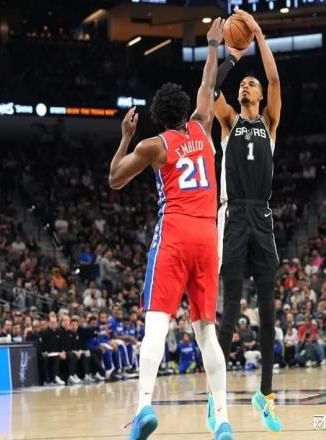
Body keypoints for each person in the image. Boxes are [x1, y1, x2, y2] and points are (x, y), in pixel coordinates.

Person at [109, 18, 233, 440]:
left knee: (157, 326)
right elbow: (208, 82)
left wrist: (125, 137)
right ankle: (223, 419)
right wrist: (213, 44)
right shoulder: (202, 124)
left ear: (158, 118)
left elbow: (115, 179)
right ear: (184, 110)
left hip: (176, 234)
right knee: (206, 332)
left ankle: (144, 406)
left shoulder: (154, 146)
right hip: (208, 236)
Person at [209, 8, 282, 432]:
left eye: (250, 83)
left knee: (269, 311)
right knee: (232, 309)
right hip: (234, 214)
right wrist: (231, 56)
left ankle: (265, 394)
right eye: (243, 83)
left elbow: (274, 79)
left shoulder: (269, 122)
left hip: (263, 215)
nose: (246, 85)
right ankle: (216, 400)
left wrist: (257, 32)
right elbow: (209, 89)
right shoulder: (228, 121)